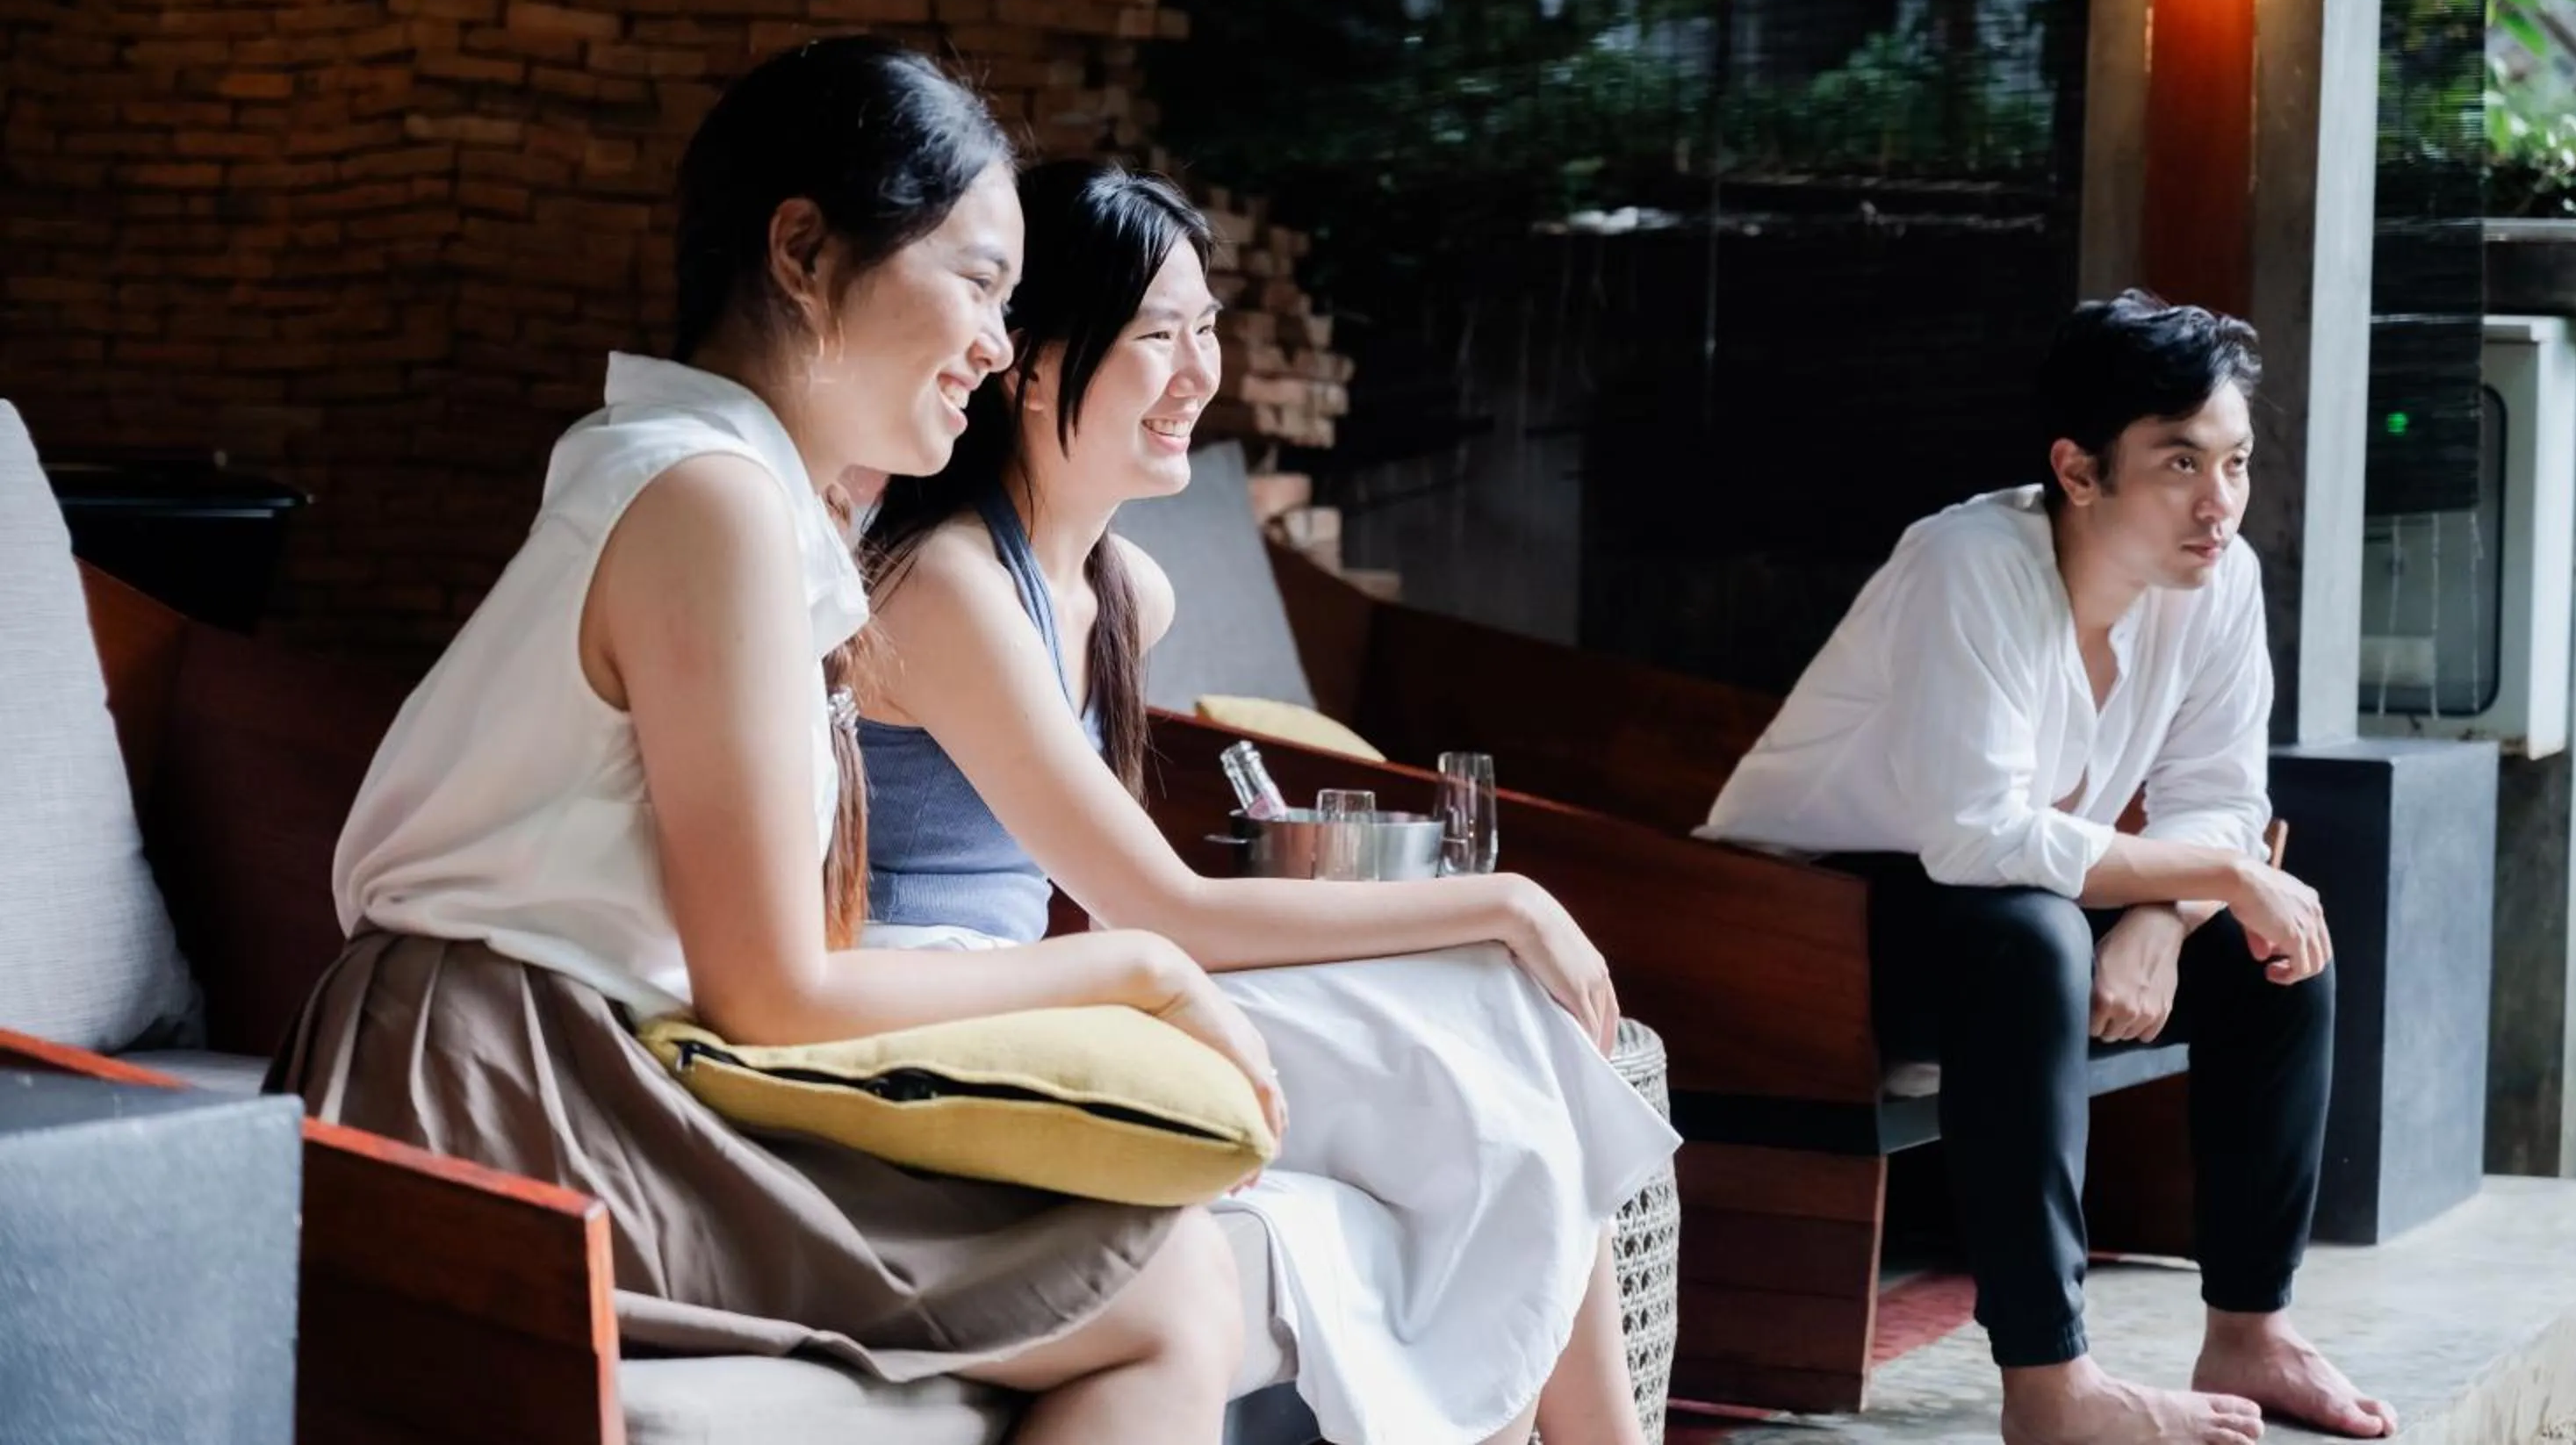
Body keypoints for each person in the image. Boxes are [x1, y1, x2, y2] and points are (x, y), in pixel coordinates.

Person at [272, 41, 1273, 1445]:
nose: (996, 346)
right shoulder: (711, 505)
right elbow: (773, 994)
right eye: (980, 282)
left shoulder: (720, 490)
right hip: (499, 1098)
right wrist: (1140, 970)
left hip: (545, 1056)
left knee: (1168, 1269)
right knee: (1170, 1285)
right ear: (803, 251)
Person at [855, 159, 1679, 1445]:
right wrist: (1507, 896)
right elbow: (1153, 905)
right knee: (1485, 993)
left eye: (1208, 329)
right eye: (1156, 337)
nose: (1199, 373)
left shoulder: (1127, 594)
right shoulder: (948, 586)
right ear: (1027, 363)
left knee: (1491, 1015)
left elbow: (1121, 905)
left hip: (1033, 983)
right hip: (916, 1002)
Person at [1699, 291, 2398, 1445]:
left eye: (2235, 462)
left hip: (1988, 900)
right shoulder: (1966, 562)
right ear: (2079, 472)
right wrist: (2211, 879)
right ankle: (2050, 1384)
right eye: (2180, 463)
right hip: (1784, 919)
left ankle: (2251, 1328)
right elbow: (1976, 834)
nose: (2218, 503)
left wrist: (2170, 919)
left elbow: (2221, 798)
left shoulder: (2214, 580)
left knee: (2278, 944)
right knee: (2032, 937)